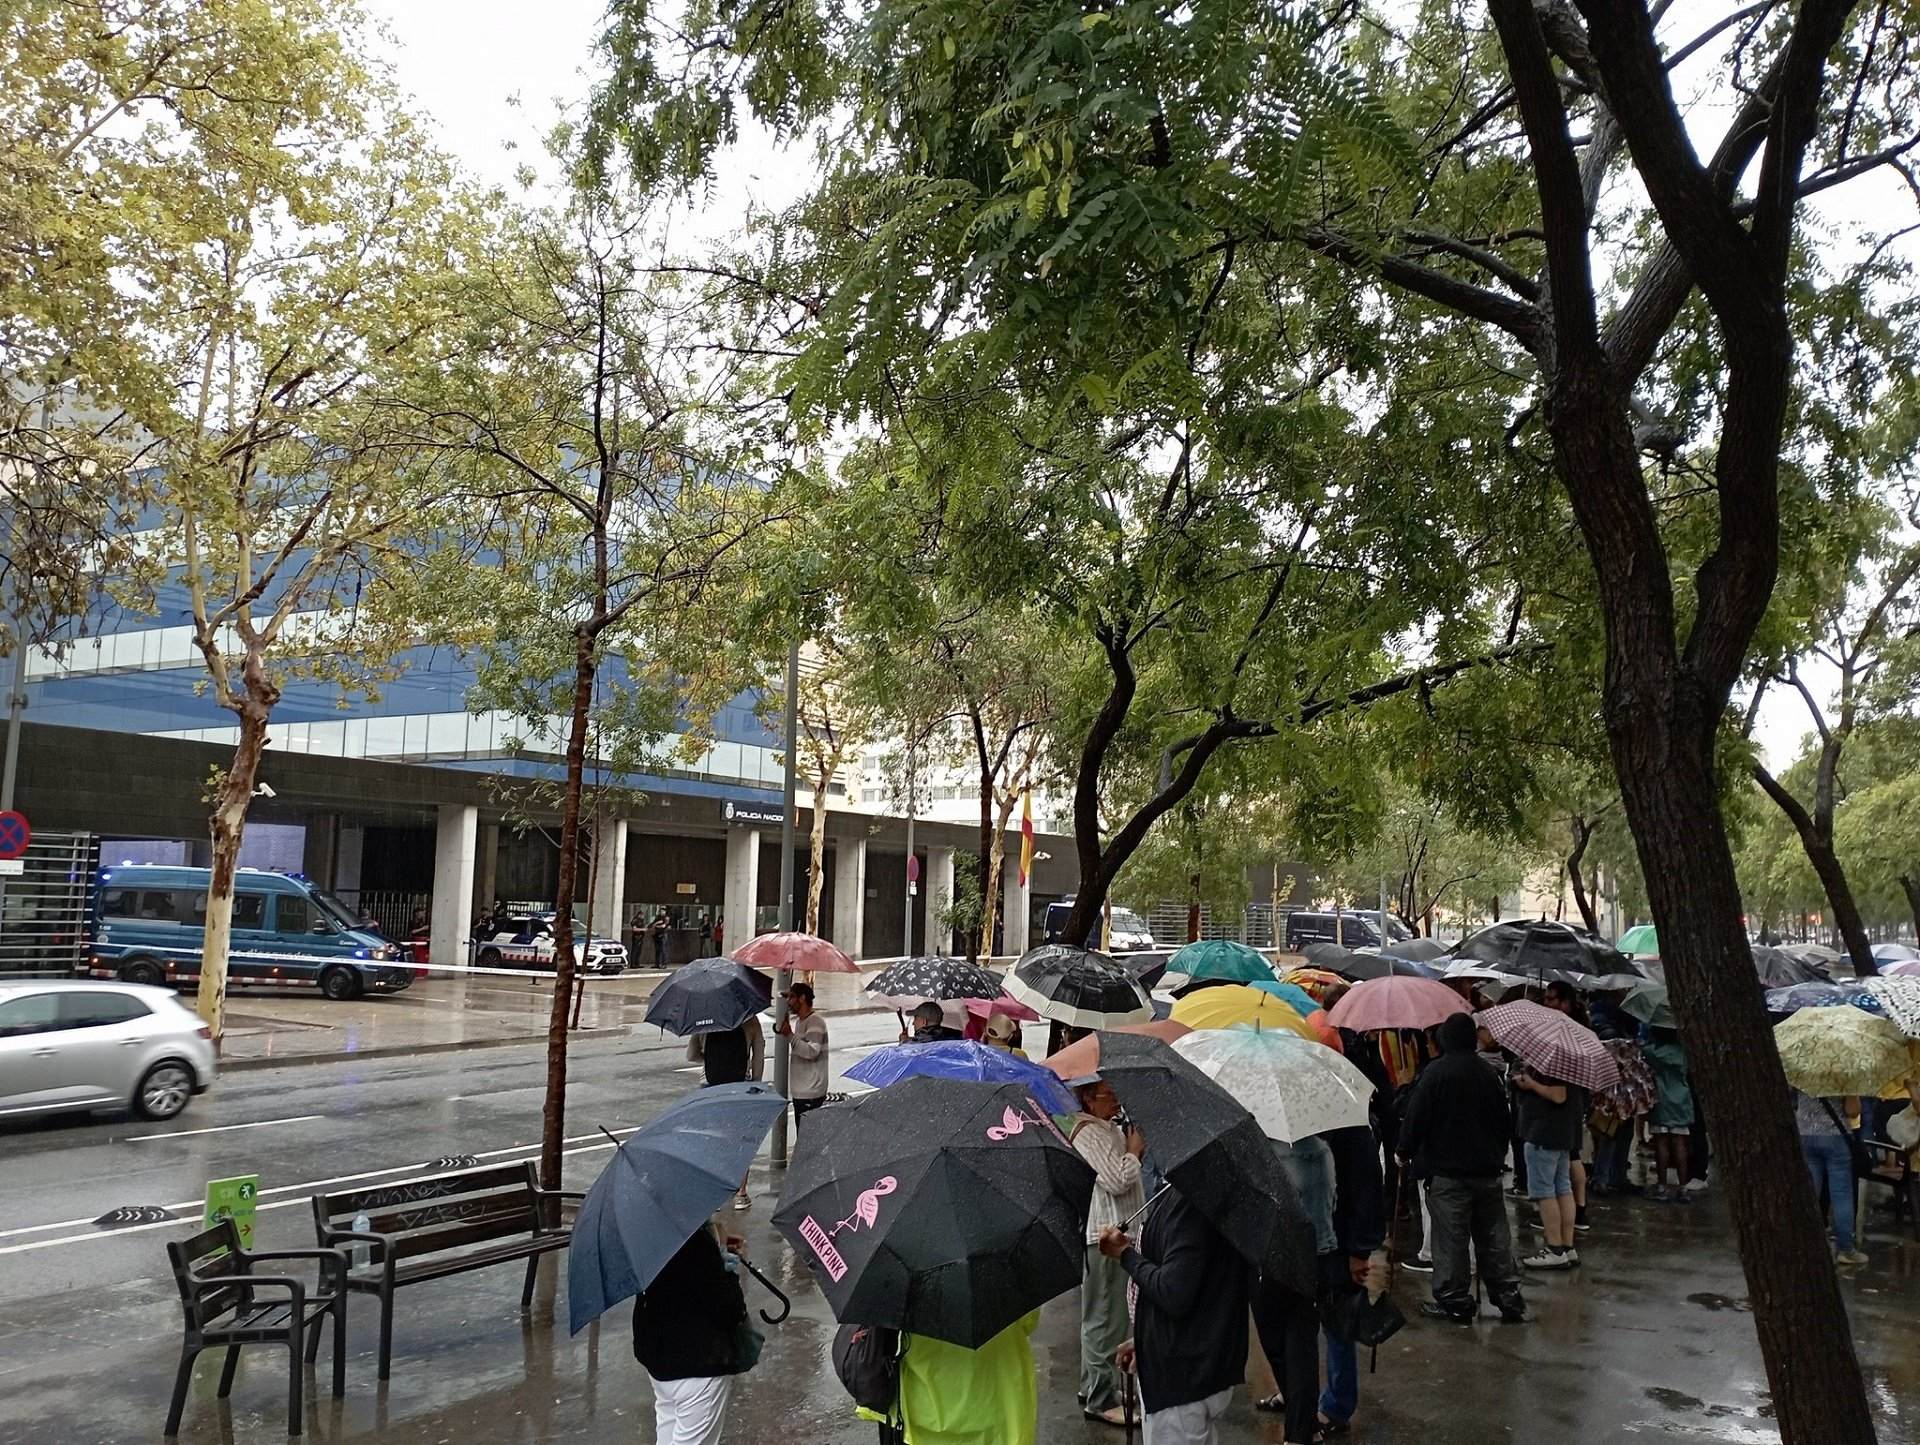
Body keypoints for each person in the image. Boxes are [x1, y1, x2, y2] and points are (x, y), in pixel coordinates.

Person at [1398, 1012, 1528, 1324]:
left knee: (1451, 1240)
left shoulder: (1435, 1073)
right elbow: (1504, 1120)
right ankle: (1508, 1296)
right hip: (1486, 1170)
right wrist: (1497, 1155)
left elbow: (1417, 1118)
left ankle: (1454, 1299)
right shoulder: (1489, 1073)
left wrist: (1404, 1151)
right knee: (1494, 1238)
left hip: (1448, 1172)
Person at [1100, 1186, 1249, 1445]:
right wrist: (1145, 1340)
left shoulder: (1192, 1205)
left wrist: (1125, 1254)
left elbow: (1174, 1291)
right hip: (1187, 1366)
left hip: (1182, 1377)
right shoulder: (1183, 1192)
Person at [632, 1217, 758, 1445]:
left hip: (659, 1357)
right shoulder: (692, 1236)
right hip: (697, 1363)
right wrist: (725, 1267)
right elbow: (728, 1307)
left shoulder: (647, 1227)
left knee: (668, 1431)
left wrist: (717, 1244)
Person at [1064, 1077, 1145, 1427]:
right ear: (1087, 1098)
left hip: (1117, 1232)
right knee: (1105, 1318)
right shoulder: (1087, 1132)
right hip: (1105, 1235)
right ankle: (1099, 1398)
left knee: (1105, 1315)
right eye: (1106, 1095)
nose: (1115, 1100)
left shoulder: (1105, 1126)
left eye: (1116, 1093)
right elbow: (1116, 1178)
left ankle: (1094, 1384)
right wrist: (1135, 1151)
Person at [1252, 1135, 1336, 1445]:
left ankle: (1301, 1427)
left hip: (1277, 1258)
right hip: (1318, 1254)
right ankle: (1304, 1426)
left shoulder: (1264, 1154)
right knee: (1302, 1342)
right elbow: (1332, 1200)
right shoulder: (1322, 1149)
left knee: (1278, 1343)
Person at [868, 1310, 1041, 1445]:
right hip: (997, 1399)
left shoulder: (906, 1270)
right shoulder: (1006, 1269)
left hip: (923, 1406)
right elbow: (1028, 1322)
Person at [1316, 1120, 1385, 1436]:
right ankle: (1297, 1391)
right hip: (1308, 1238)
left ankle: (1337, 1405)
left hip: (1339, 1243)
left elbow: (1368, 1187)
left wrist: (1360, 1248)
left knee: (1337, 1321)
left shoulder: (1352, 1129)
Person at [687, 1016, 765, 1208]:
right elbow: (759, 1056)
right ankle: (741, 1193)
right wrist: (755, 1082)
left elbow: (691, 1055)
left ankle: (715, 1192)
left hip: (710, 1085)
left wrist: (710, 1059)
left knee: (712, 1140)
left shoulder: (705, 1019)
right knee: (741, 1140)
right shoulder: (751, 1020)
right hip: (740, 1085)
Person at [1513, 1060, 1582, 1269]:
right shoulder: (1572, 1061)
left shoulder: (1554, 1061)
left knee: (1545, 1191)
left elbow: (1558, 1095)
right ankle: (1567, 1246)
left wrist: (1530, 1084)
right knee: (1563, 1188)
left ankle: (1554, 1248)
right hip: (1563, 1133)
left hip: (1544, 1133)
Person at [1795, 1088, 1868, 1265]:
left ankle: (1807, 1244)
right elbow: (1852, 1111)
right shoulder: (1843, 1072)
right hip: (1835, 1137)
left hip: (1805, 1134)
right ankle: (1846, 1249)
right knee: (1841, 1196)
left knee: (1810, 1194)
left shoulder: (1802, 1067)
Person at [1641, 1026, 1694, 1202]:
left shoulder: (1651, 1052)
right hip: (1681, 1101)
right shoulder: (1683, 1052)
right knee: (1680, 1143)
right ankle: (1683, 1187)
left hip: (1660, 1101)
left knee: (1661, 1143)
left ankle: (1662, 1185)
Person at [775, 982, 829, 1130]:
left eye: (792, 997)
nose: (789, 1002)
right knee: (804, 1137)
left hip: (811, 1092)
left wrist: (790, 1036)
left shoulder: (815, 1021)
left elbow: (812, 1051)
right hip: (802, 1092)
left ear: (802, 998)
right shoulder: (800, 1022)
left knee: (808, 1139)